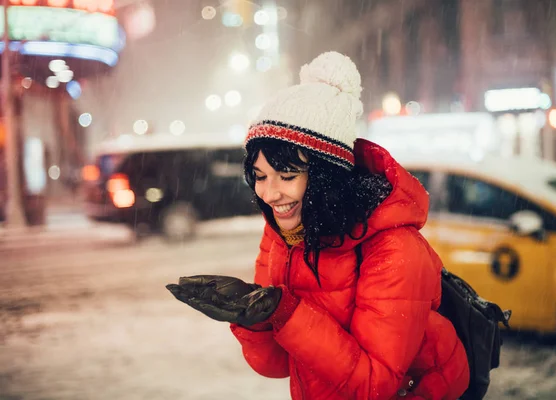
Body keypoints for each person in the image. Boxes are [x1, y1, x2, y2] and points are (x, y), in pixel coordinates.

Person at [166, 51, 469, 400]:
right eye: (260, 177)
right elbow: (278, 365)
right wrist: (254, 317)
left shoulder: (395, 250)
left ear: (327, 177)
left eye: (287, 175)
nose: (270, 193)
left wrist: (286, 312)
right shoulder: (285, 234)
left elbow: (374, 386)